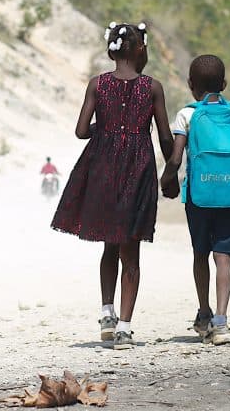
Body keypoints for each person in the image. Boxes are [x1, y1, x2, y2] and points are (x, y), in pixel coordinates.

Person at [51, 21, 174, 350]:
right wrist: (172, 168)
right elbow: (163, 135)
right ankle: (125, 328)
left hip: (103, 167)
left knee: (109, 243)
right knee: (130, 250)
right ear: (140, 50)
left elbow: (80, 130)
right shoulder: (152, 87)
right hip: (137, 168)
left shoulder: (97, 84)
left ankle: (107, 314)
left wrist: (105, 128)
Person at [160, 55, 230, 346]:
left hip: (200, 196)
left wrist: (165, 181)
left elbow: (177, 158)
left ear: (191, 85)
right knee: (224, 258)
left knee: (200, 254)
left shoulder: (187, 115)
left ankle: (204, 311)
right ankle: (221, 321)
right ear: (225, 84)